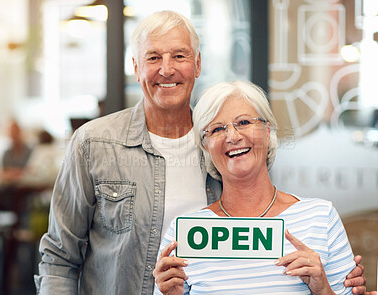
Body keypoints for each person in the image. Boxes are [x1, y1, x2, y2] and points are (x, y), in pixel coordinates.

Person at [35, 11, 367, 294]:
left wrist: (331, 282)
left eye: (179, 56)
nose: (166, 69)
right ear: (136, 68)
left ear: (197, 64)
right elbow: (59, 258)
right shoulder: (94, 143)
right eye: (153, 58)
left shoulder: (223, 145)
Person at [153, 80, 376, 295]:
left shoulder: (320, 218)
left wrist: (323, 289)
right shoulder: (184, 234)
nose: (232, 136)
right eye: (217, 129)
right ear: (205, 146)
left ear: (267, 131)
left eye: (244, 123)